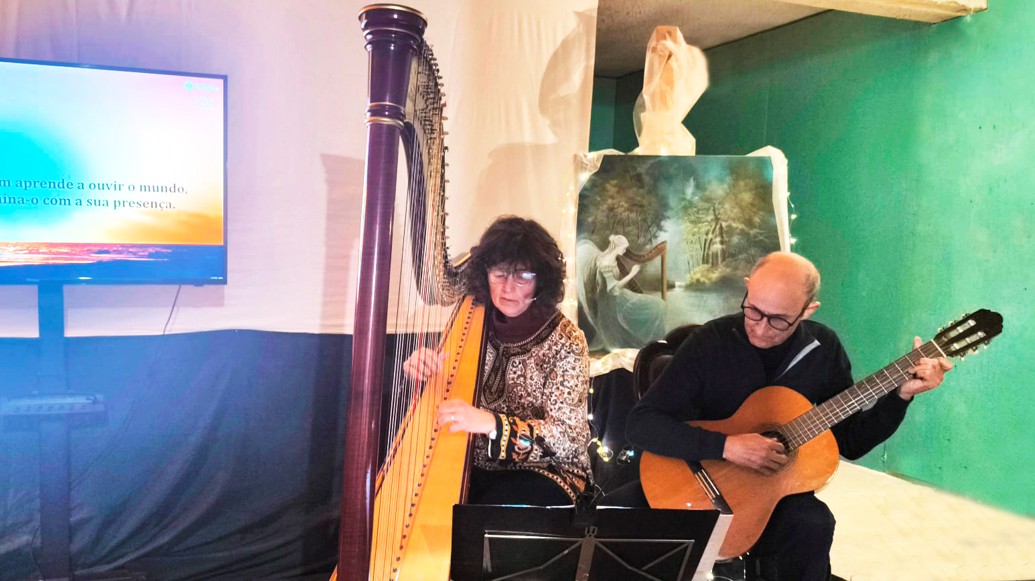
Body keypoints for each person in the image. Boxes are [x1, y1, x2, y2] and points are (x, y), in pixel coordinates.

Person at [620, 251, 954, 580]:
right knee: (608, 520)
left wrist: (900, 397)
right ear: (748, 287)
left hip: (772, 494)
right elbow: (641, 424)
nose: (761, 328)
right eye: (753, 311)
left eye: (779, 320)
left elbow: (850, 442)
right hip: (693, 477)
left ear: (808, 310)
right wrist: (727, 446)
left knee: (814, 524)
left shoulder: (823, 350)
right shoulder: (710, 342)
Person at [403, 216, 592, 506]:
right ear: (485, 274)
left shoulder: (567, 341)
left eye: (522, 276)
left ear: (541, 280)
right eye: (499, 273)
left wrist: (492, 424)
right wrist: (421, 370)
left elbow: (567, 440)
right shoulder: (473, 320)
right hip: (474, 465)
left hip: (546, 472)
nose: (507, 288)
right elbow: (447, 400)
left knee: (485, 509)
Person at [576, 234, 666, 351]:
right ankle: (656, 346)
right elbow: (612, 289)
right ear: (616, 247)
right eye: (623, 248)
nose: (625, 251)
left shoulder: (611, 259)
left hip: (618, 296)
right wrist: (632, 274)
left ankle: (657, 344)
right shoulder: (606, 263)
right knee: (658, 305)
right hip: (612, 302)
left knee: (659, 305)